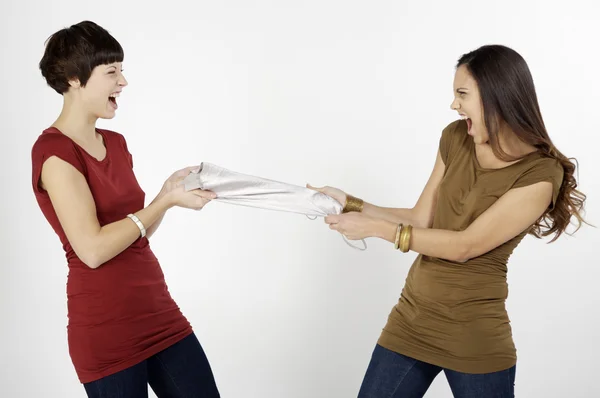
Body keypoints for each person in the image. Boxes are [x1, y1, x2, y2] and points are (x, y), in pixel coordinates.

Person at [309, 44, 587, 397]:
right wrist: (350, 203)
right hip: (411, 321)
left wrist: (378, 229)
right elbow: (420, 218)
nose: (454, 105)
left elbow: (464, 246)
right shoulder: (455, 137)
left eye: (462, 94)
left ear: (496, 96)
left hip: (473, 337)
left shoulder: (539, 175)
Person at [31, 21, 220, 397]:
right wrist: (163, 202)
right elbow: (95, 249)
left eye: (122, 70)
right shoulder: (54, 153)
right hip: (107, 331)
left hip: (159, 314)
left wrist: (165, 197)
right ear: (74, 79)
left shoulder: (116, 143)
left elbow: (134, 234)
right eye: (111, 72)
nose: (123, 82)